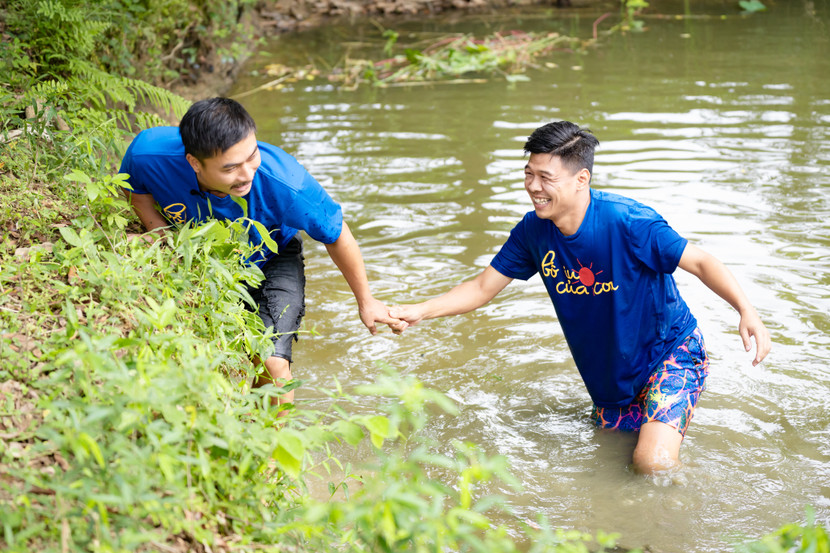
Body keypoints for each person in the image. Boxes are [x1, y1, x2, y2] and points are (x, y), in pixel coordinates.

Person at [389, 121, 771, 474]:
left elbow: (700, 261)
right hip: (609, 378)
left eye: (545, 177)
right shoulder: (533, 233)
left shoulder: (629, 221)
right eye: (528, 175)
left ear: (580, 179)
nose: (534, 187)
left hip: (669, 353)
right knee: (608, 465)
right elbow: (481, 288)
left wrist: (745, 309)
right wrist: (418, 311)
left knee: (651, 463)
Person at [119, 97, 402, 413]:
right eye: (230, 167)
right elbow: (137, 191)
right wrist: (164, 238)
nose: (246, 174)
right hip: (205, 258)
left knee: (271, 360)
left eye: (251, 156)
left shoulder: (287, 183)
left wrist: (366, 301)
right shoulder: (149, 154)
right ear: (194, 163)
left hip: (273, 255)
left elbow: (337, 235)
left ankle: (271, 452)